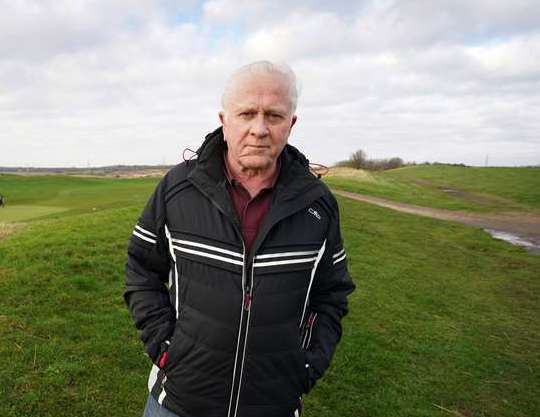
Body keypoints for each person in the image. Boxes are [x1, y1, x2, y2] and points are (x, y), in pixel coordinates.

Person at [124, 61, 355, 417]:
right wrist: (167, 348)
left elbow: (332, 294)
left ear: (291, 124)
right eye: (247, 113)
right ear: (224, 120)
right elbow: (141, 270)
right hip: (178, 403)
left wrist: (306, 365)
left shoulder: (318, 205)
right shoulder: (177, 190)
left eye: (274, 116)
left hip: (272, 405)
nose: (259, 129)